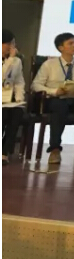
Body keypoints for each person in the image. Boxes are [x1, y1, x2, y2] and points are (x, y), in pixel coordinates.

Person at [31, 32, 74, 164]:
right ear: (61, 48)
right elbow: (36, 85)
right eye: (70, 43)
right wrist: (54, 91)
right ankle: (55, 149)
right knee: (59, 107)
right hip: (55, 99)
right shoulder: (49, 65)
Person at [2, 29, 25, 165]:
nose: (12, 47)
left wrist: (19, 98)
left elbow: (19, 81)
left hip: (9, 99)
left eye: (13, 44)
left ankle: (4, 152)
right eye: (9, 44)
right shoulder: (12, 60)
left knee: (17, 113)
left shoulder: (17, 61)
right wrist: (10, 59)